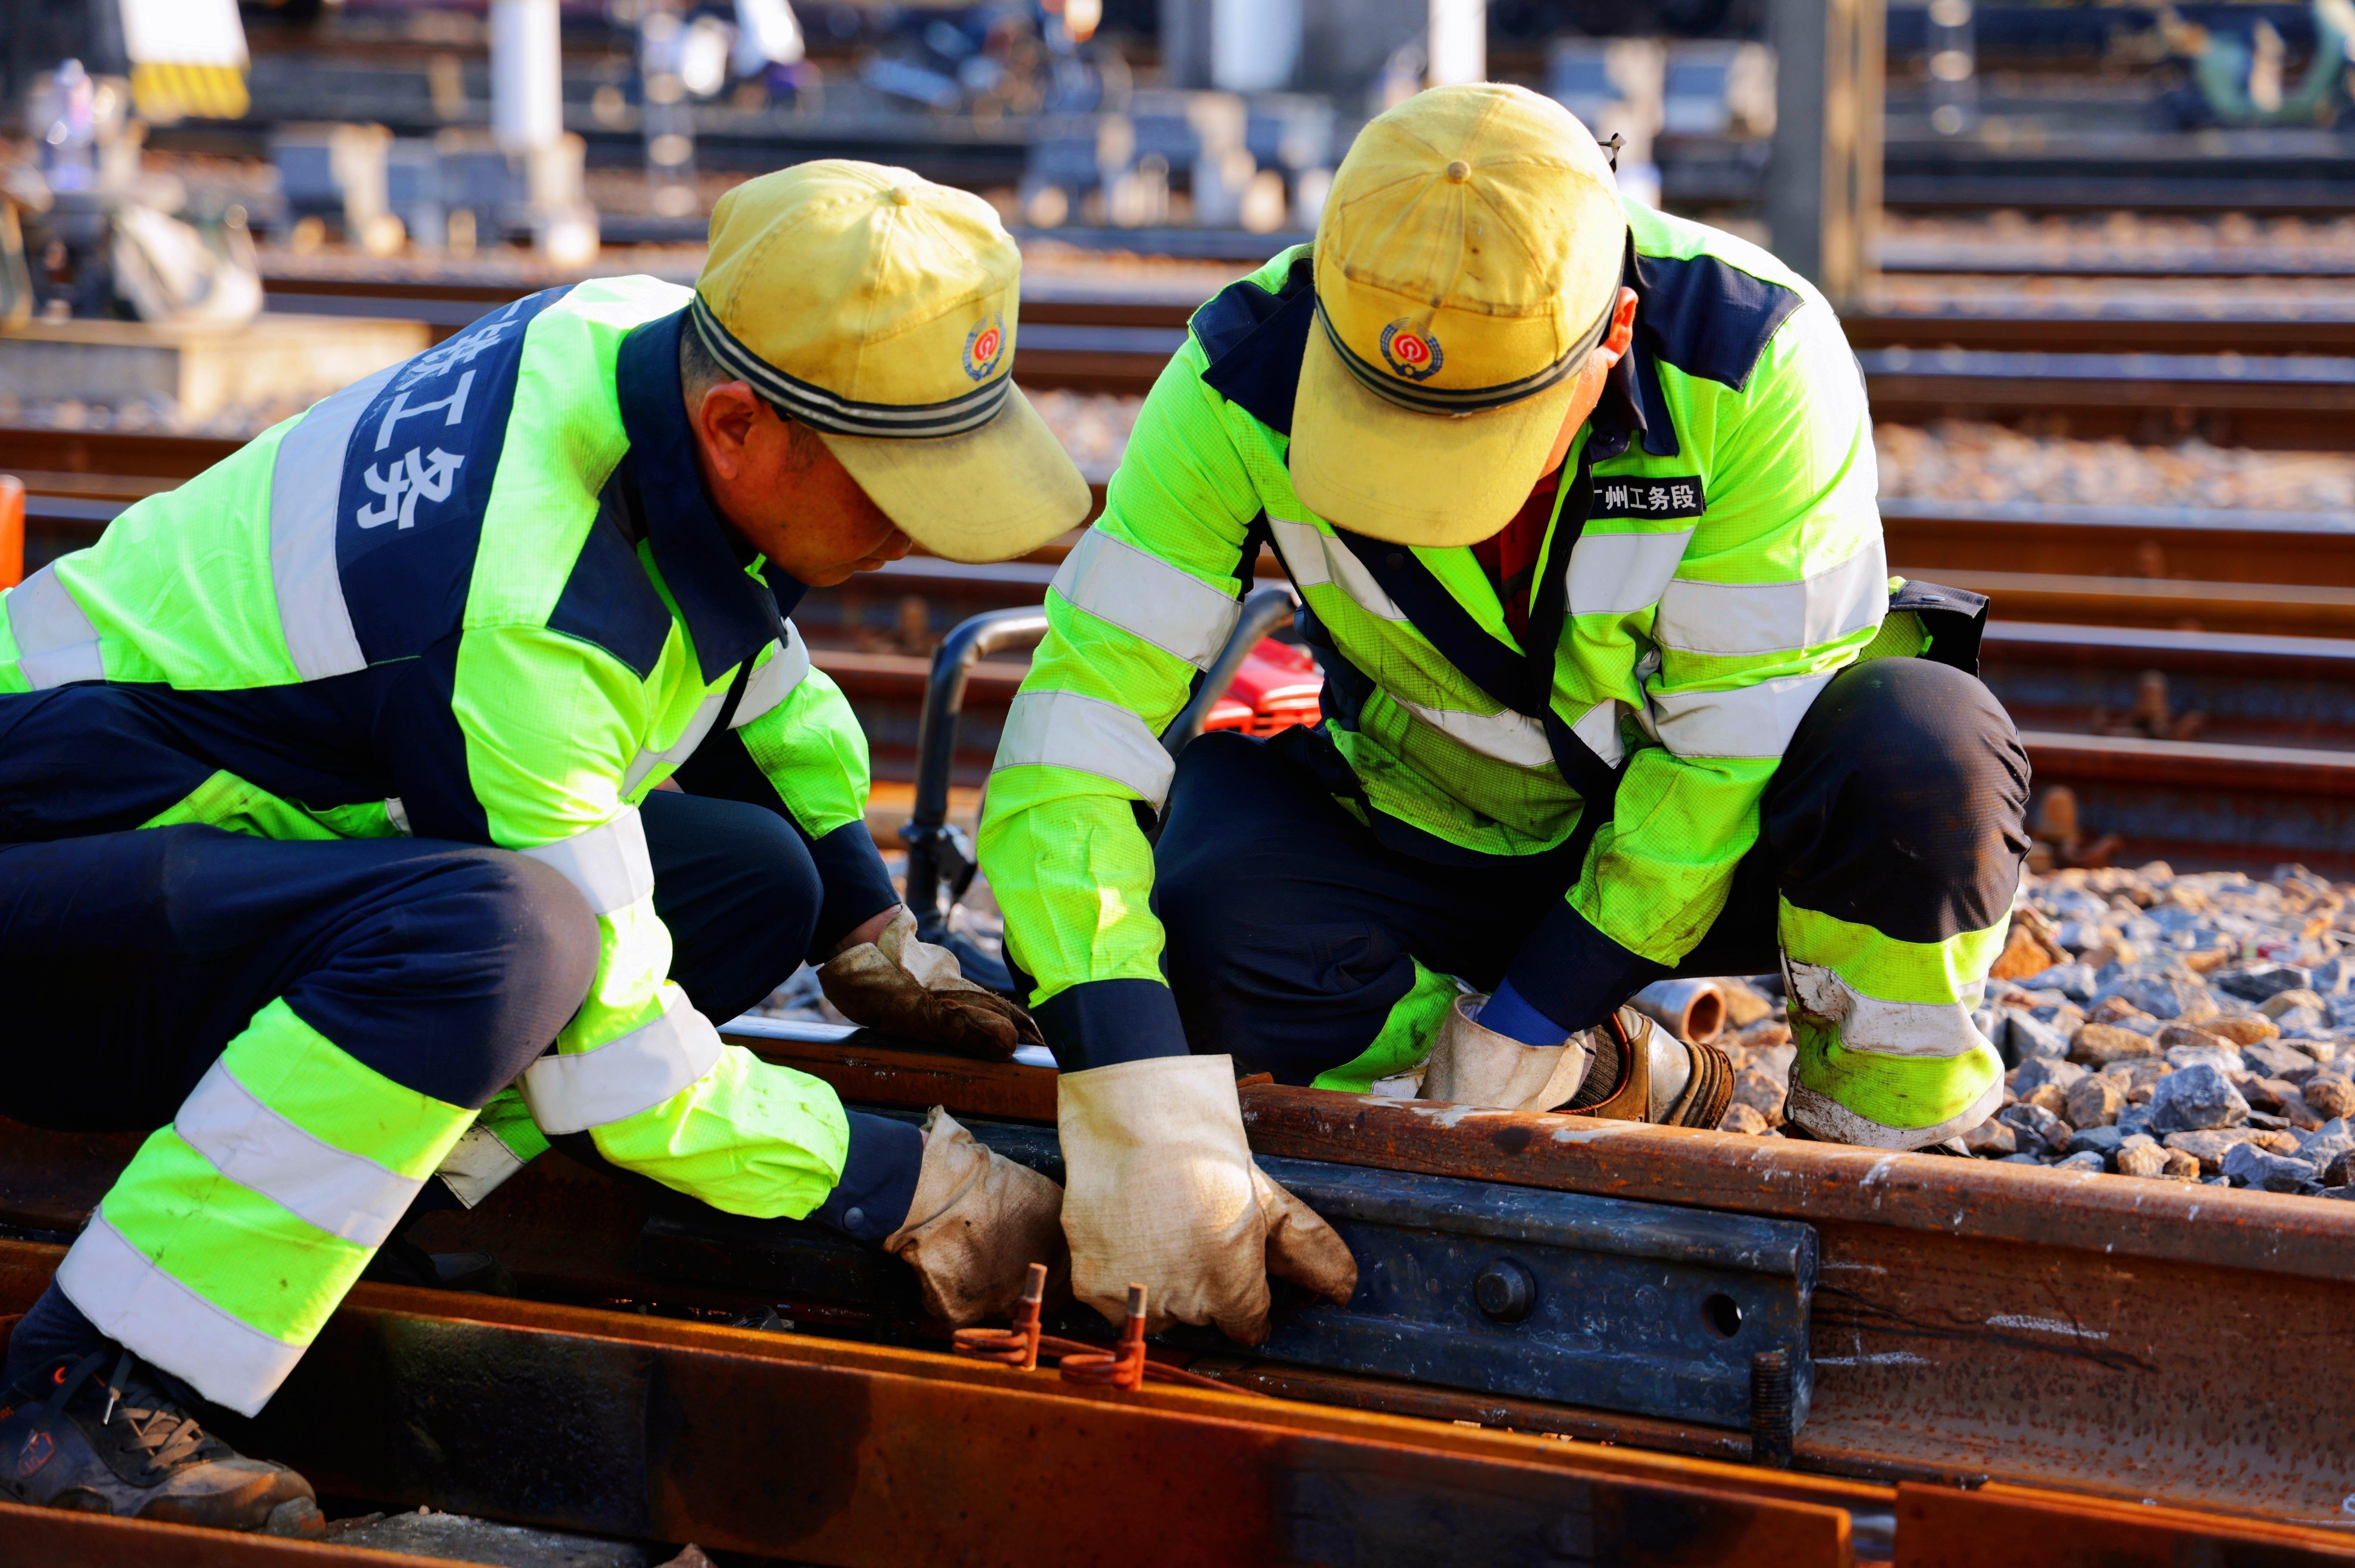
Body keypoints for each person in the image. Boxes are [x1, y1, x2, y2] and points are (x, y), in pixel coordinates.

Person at [0, 160, 1089, 1532]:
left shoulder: (643, 337)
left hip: (229, 845)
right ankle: (84, 1385)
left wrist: (862, 919)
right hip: (57, 908)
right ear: (738, 428)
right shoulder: (524, 613)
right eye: (894, 484)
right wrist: (906, 1182)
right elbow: (625, 1069)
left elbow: (752, 664)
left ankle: (375, 1198)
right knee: (503, 940)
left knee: (757, 883)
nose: (920, 529)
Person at [979, 84, 2030, 1343]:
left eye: (1473, 437)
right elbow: (1078, 732)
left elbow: (1726, 762)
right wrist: (1130, 1085)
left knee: (1924, 757)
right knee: (1201, 929)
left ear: (1612, 339)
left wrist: (1534, 1008)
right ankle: (1619, 1074)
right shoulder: (1241, 373)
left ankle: (1881, 1154)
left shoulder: (1752, 359)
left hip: (1728, 842)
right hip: (1438, 825)